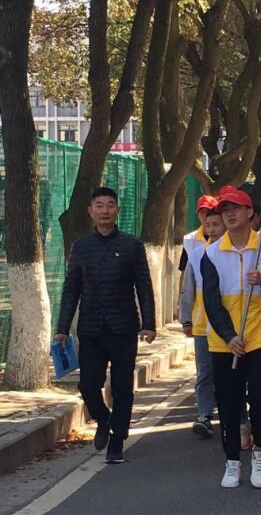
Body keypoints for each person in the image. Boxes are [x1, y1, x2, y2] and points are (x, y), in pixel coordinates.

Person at [55, 187, 155, 464]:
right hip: (90, 329)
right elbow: (71, 289)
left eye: (110, 205)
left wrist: (149, 324)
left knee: (122, 387)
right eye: (99, 205)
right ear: (90, 211)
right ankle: (103, 418)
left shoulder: (131, 245)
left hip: (123, 328)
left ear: (118, 210)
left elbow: (144, 286)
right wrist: (62, 328)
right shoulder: (81, 247)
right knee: (88, 385)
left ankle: (117, 441)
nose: (105, 210)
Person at [201, 185, 261, 489]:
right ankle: (232, 460)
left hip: (260, 336)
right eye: (225, 210)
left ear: (250, 213)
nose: (229, 214)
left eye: (235, 208)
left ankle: (259, 453)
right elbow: (211, 302)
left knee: (260, 398)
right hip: (225, 342)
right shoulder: (211, 254)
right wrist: (229, 335)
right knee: (228, 402)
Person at [180, 206, 225, 438]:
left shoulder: (235, 254)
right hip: (202, 326)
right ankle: (204, 415)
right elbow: (188, 290)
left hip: (228, 327)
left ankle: (233, 415)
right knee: (205, 372)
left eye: (217, 225)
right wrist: (186, 319)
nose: (213, 229)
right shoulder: (196, 255)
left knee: (227, 373)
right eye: (209, 226)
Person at [178, 195, 219, 290]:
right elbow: (184, 272)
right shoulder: (189, 240)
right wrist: (182, 296)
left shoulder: (226, 238)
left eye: (208, 211)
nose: (205, 216)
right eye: (202, 212)